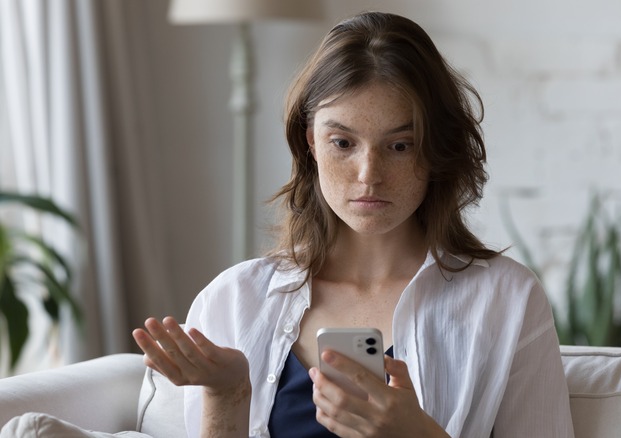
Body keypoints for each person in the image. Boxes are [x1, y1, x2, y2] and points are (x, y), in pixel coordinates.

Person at [132, 11, 574, 438]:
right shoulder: (233, 301)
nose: (368, 174)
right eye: (342, 142)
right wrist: (227, 394)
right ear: (310, 142)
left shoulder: (506, 301)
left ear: (436, 149)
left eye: (400, 145)